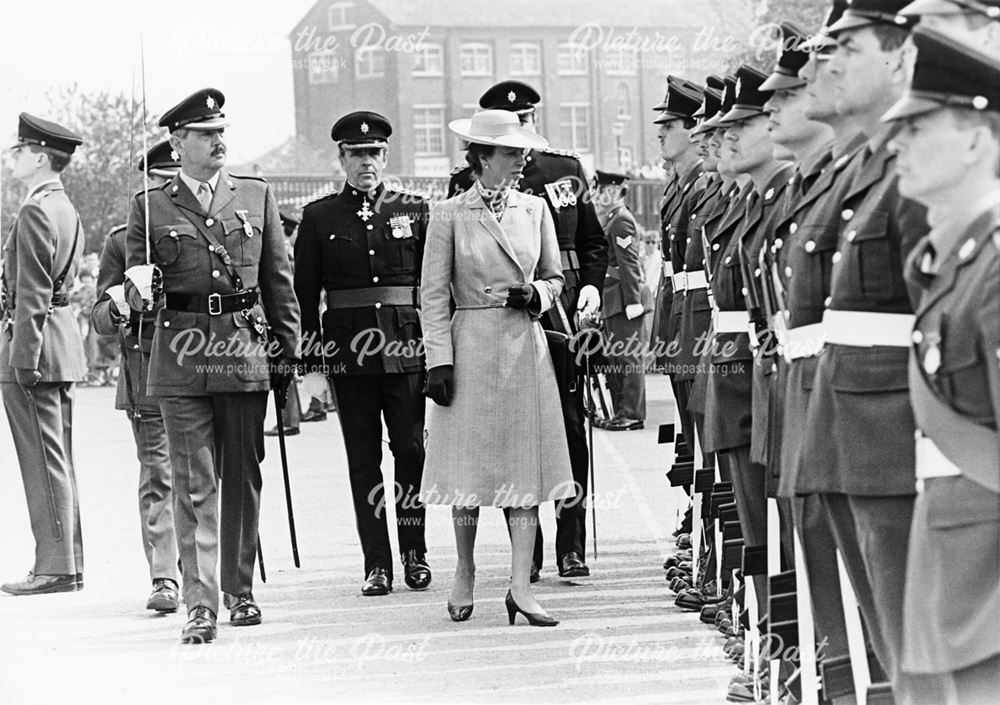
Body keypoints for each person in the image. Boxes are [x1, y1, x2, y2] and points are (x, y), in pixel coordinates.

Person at [124, 88, 300, 644]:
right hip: (177, 358)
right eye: (204, 133)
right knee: (193, 482)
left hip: (243, 353)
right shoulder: (149, 206)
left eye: (221, 130)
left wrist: (289, 356)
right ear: (177, 142)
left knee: (243, 478)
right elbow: (131, 292)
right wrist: (135, 291)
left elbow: (278, 282)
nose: (218, 139)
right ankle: (199, 603)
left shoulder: (255, 195)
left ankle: (239, 591)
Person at [448, 80, 608, 581]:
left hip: (561, 312)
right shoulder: (464, 182)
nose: (523, 132)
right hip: (505, 320)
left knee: (569, 427)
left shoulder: (565, 170)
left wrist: (594, 289)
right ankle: (528, 553)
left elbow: (592, 242)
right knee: (516, 431)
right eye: (511, 124)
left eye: (527, 119)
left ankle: (572, 543)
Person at [883, 27, 1000, 705]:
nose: (896, 143)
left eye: (919, 126)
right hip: (950, 551)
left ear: (978, 140)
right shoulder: (951, 261)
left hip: (986, 578)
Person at [421, 108, 573, 626]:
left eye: (522, 152)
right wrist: (438, 359)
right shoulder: (449, 215)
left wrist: (537, 294)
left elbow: (556, 278)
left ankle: (520, 587)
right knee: (467, 470)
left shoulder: (535, 209)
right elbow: (433, 295)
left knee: (522, 468)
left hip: (521, 348)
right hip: (469, 349)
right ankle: (463, 571)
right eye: (510, 153)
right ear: (481, 157)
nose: (521, 160)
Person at [294, 111, 431, 597]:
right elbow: (305, 296)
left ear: (386, 157)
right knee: (363, 459)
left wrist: (440, 355)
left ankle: (415, 552)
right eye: (356, 154)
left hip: (406, 349)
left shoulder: (415, 210)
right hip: (349, 355)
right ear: (342, 159)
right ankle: (377, 563)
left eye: (373, 154)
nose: (365, 163)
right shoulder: (319, 216)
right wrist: (309, 365)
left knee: (412, 450)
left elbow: (431, 290)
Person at [91, 140, 181, 612]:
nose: (167, 191)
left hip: (198, 368)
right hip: (146, 371)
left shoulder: (204, 236)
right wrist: (121, 305)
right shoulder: (121, 239)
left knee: (205, 475)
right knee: (159, 477)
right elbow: (99, 317)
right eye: (159, 182)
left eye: (174, 181)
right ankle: (165, 576)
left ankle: (204, 568)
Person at [0, 113, 87, 596]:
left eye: (18, 151)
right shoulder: (62, 206)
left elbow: (31, 293)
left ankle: (54, 568)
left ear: (38, 157)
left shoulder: (36, 210)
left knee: (42, 461)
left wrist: (22, 360)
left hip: (34, 348)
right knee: (59, 459)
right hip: (60, 341)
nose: (12, 158)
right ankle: (67, 563)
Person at [594, 169, 647, 431]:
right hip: (615, 298)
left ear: (614, 191)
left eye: (602, 190)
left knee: (628, 358)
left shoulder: (621, 221)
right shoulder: (613, 219)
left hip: (624, 299)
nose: (598, 195)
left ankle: (632, 413)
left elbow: (629, 264)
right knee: (617, 358)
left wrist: (633, 301)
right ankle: (621, 411)